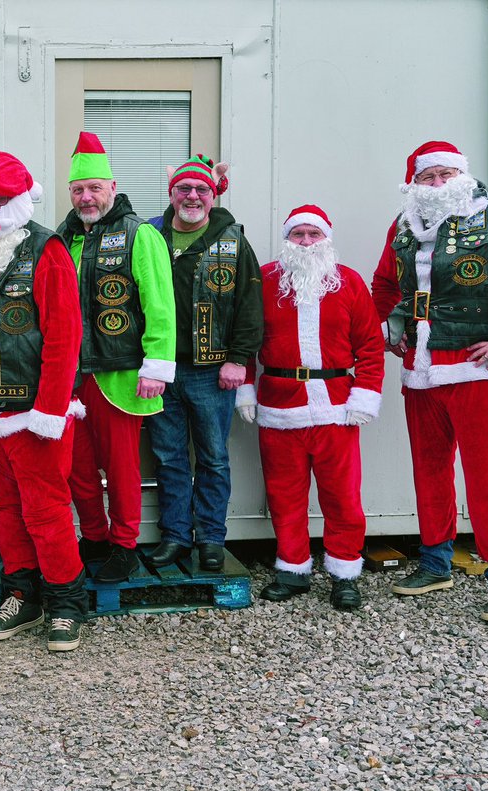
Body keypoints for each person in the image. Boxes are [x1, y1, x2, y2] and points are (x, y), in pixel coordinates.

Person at [371, 141, 488, 624]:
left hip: (477, 369)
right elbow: (384, 285)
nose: (435, 185)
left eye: (443, 175)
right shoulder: (403, 227)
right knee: (430, 468)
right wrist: (389, 331)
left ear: (460, 176)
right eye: (426, 177)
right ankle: (435, 563)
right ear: (413, 183)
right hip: (421, 369)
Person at [0, 151, 88, 652]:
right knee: (8, 508)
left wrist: (50, 411)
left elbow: (64, 335)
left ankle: (66, 602)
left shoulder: (46, 249)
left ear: (18, 201)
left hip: (35, 412)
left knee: (47, 510)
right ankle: (22, 594)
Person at [235, 205, 384, 609]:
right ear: (288, 240)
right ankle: (293, 568)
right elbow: (245, 339)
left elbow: (371, 346)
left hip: (336, 407)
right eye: (298, 235)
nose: (305, 242)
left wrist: (365, 395)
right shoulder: (265, 281)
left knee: (342, 497)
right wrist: (245, 388)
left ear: (326, 239)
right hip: (279, 406)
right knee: (284, 494)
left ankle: (344, 572)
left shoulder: (349, 282)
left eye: (313, 235)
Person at [55, 132, 175, 582]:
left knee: (122, 468)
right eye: (78, 190)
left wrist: (157, 366)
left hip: (121, 374)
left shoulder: (139, 234)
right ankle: (95, 538)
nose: (86, 197)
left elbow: (160, 305)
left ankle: (125, 545)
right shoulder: (63, 239)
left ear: (112, 186)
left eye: (94, 188)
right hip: (71, 377)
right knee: (77, 467)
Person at [146, 156, 262, 572]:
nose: (192, 197)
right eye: (184, 189)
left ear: (212, 197)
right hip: (161, 371)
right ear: (172, 193)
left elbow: (251, 307)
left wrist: (238, 361)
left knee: (213, 457)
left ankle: (211, 537)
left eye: (201, 190)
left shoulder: (232, 241)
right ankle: (176, 535)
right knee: (169, 456)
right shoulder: (151, 236)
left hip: (212, 373)